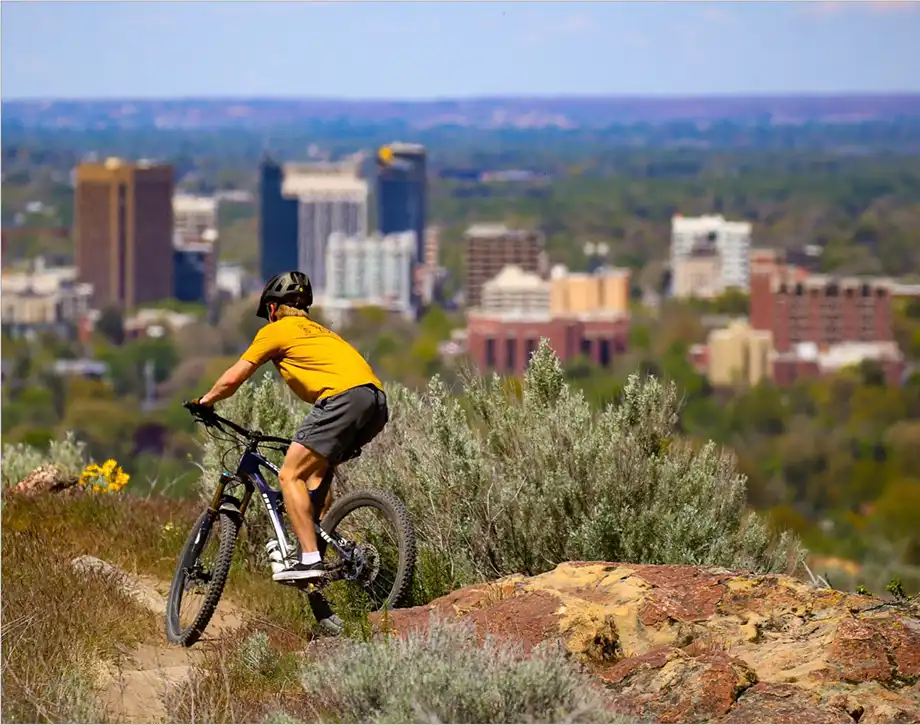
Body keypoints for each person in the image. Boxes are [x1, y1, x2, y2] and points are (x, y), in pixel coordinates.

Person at [188, 270, 388, 583]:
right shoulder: (322, 331)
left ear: (271, 309)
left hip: (342, 400)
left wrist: (205, 401)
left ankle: (309, 560)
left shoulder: (277, 330)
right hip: (375, 402)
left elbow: (233, 377)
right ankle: (321, 547)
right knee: (315, 475)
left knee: (289, 474)